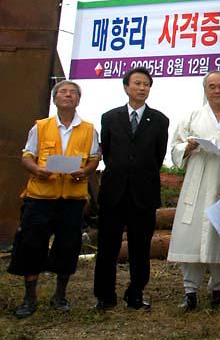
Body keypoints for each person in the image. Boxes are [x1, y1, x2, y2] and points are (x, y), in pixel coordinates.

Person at [8, 80, 100, 318]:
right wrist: (36, 170)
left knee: (68, 246)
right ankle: (30, 298)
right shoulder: (40, 127)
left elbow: (93, 158)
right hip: (39, 197)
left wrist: (86, 171)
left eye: (73, 93)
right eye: (63, 92)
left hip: (72, 199)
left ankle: (60, 295)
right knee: (31, 245)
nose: (68, 95)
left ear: (78, 100)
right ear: (55, 98)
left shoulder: (89, 129)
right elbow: (27, 156)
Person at [94, 67, 169, 311]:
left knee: (140, 247)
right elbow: (108, 152)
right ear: (126, 87)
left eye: (146, 84)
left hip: (143, 194)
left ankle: (135, 293)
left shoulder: (159, 120)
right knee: (107, 247)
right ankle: (105, 296)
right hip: (113, 192)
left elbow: (158, 156)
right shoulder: (109, 117)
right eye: (137, 83)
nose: (142, 88)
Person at [167, 71, 220, 311]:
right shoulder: (192, 117)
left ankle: (218, 288)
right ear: (205, 90)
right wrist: (189, 146)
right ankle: (190, 291)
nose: (217, 91)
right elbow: (175, 148)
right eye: (212, 86)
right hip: (196, 182)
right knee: (191, 235)